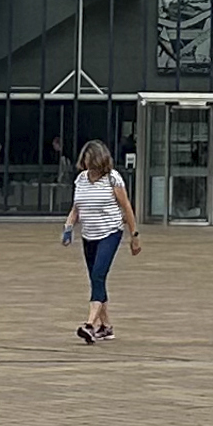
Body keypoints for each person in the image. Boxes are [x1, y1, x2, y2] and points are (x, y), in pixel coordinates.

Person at [64, 142, 139, 343]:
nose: (89, 164)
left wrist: (134, 235)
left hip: (110, 233)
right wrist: (68, 228)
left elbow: (127, 207)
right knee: (96, 280)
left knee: (98, 274)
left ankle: (90, 325)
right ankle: (106, 327)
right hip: (89, 235)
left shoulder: (113, 178)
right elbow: (76, 208)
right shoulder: (81, 180)